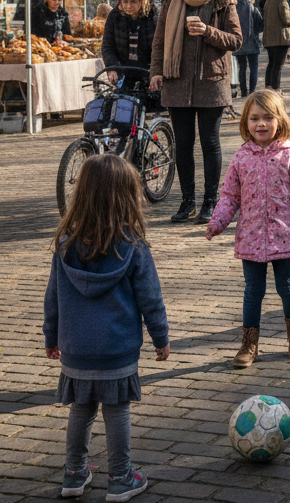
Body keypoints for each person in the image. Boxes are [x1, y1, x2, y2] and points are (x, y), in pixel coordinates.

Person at [43, 153, 169, 502]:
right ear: (127, 197)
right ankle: (120, 477)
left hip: (76, 348)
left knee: (80, 410)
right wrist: (161, 338)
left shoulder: (65, 247)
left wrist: (50, 337)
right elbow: (151, 300)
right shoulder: (133, 248)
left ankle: (73, 474)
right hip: (117, 348)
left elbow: (52, 297)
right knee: (117, 411)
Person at [205, 90, 290, 367]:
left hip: (285, 236)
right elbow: (230, 196)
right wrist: (218, 221)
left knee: (287, 286)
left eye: (268, 117)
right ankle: (249, 341)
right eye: (255, 118)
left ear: (280, 120)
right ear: (246, 122)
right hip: (251, 239)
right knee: (252, 290)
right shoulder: (241, 157)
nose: (261, 124)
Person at [149, 0, 242, 226]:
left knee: (210, 142)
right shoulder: (170, 0)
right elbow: (158, 42)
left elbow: (236, 40)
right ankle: (187, 200)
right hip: (177, 80)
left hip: (211, 82)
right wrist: (156, 71)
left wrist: (208, 31)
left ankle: (210, 202)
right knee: (183, 144)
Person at [101, 0, 158, 86]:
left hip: (149, 73)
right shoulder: (114, 16)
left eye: (133, 1)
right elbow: (108, 46)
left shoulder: (153, 16)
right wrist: (112, 68)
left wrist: (156, 72)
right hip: (124, 73)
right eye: (125, 1)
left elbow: (159, 48)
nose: (128, 6)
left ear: (141, 1)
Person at [262, 0, 290, 92]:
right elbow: (286, 20)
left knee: (271, 63)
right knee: (278, 64)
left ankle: (268, 86)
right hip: (281, 37)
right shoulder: (281, 0)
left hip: (269, 37)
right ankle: (276, 88)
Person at [233, 0, 263, 98]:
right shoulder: (252, 7)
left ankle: (243, 91)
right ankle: (252, 91)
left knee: (242, 68)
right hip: (252, 41)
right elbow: (260, 24)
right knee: (253, 68)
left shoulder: (233, 7)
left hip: (239, 42)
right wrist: (255, 33)